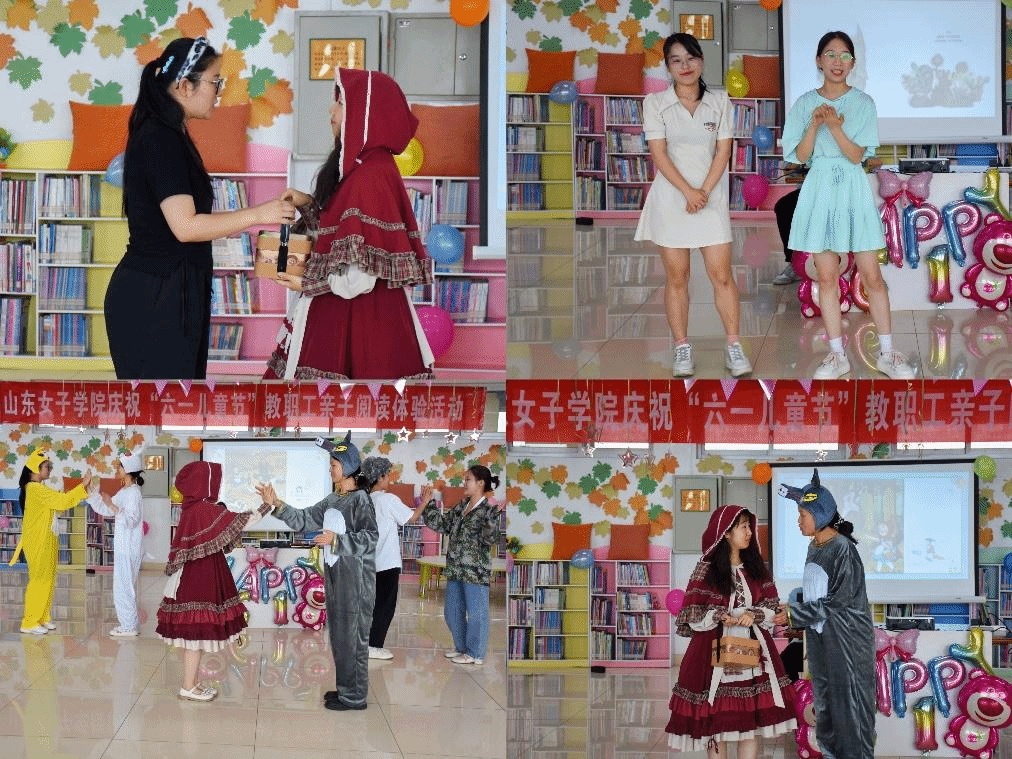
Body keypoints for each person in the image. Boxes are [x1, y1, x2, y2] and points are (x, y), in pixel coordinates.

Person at [105, 35, 294, 379]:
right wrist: (258, 214)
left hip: (174, 292)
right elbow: (186, 227)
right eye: (215, 81)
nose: (219, 92)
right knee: (163, 406)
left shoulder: (171, 134)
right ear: (184, 86)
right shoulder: (159, 138)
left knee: (179, 403)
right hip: (155, 298)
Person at [264, 67, 434, 380]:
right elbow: (344, 242)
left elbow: (359, 279)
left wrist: (306, 284)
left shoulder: (369, 177)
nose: (331, 111)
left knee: (341, 402)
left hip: (357, 321)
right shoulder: (367, 168)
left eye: (341, 103)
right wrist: (308, 204)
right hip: (363, 315)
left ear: (367, 115)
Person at [781, 31, 914, 380]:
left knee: (872, 275)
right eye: (830, 54)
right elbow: (801, 156)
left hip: (853, 187)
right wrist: (814, 124)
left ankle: (887, 353)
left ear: (853, 63)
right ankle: (837, 356)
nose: (837, 62)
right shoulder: (804, 103)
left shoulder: (864, 103)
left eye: (844, 56)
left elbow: (857, 156)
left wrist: (835, 127)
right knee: (826, 276)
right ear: (818, 60)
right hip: (820, 188)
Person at [634, 32, 752, 379]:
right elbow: (659, 154)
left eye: (690, 58)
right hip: (672, 199)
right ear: (668, 66)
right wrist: (688, 192)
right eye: (676, 60)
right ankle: (682, 347)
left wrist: (703, 192)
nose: (685, 66)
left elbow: (723, 151)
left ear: (701, 60)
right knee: (677, 278)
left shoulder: (720, 101)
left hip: (710, 198)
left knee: (722, 276)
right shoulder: (655, 103)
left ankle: (733, 346)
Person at [256, 433, 378, 711]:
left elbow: (371, 538)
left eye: (334, 465)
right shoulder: (335, 498)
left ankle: (355, 697)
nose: (330, 469)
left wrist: (336, 540)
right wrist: (278, 504)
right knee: (340, 637)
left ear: (348, 467)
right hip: (337, 575)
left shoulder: (360, 499)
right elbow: (305, 519)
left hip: (356, 581)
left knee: (354, 639)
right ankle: (345, 689)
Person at [666, 506, 796, 755]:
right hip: (712, 654)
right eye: (743, 527)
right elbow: (691, 612)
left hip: (753, 652)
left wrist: (754, 614)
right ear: (726, 532)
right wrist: (719, 615)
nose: (749, 532)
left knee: (750, 725)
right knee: (716, 724)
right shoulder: (706, 569)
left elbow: (771, 606)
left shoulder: (757, 568)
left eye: (749, 526)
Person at [774, 468, 876, 759]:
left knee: (850, 716)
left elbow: (838, 602)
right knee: (826, 713)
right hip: (822, 643)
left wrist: (793, 615)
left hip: (847, 645)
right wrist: (791, 610)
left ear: (819, 514)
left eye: (802, 515)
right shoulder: (815, 546)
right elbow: (817, 595)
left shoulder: (842, 549)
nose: (798, 521)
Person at [157, 460, 272, 702]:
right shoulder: (201, 509)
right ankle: (188, 687)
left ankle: (191, 683)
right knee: (195, 635)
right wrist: (266, 506)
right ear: (203, 483)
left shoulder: (194, 508)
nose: (217, 485)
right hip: (199, 576)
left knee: (195, 636)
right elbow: (242, 521)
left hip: (196, 574)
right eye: (214, 480)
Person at [420, 465, 504, 665]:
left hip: (475, 571)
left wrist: (491, 520)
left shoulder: (488, 510)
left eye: (468, 480)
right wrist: (429, 503)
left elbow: (491, 539)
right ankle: (462, 648)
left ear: (480, 483)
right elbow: (442, 524)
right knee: (452, 612)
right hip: (456, 568)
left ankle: (475, 653)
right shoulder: (462, 506)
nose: (464, 483)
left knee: (476, 614)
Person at [11, 449, 92, 634]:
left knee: (47, 580)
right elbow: (61, 501)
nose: (49, 470)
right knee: (39, 580)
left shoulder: (39, 488)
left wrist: (78, 490)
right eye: (47, 467)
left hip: (46, 539)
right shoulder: (35, 489)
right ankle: (29, 622)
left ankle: (42, 617)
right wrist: (82, 486)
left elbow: (57, 506)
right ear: (35, 469)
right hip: (38, 540)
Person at [360, 456, 427, 660]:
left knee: (370, 605)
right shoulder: (387, 499)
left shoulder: (364, 500)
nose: (389, 479)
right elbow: (411, 518)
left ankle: (364, 644)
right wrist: (425, 501)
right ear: (380, 477)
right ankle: (374, 646)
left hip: (367, 563)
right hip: (387, 563)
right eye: (387, 475)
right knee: (384, 606)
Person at [87, 452, 145, 637]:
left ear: (128, 470)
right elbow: (105, 508)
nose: (117, 469)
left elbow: (131, 520)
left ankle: (128, 626)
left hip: (129, 548)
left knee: (124, 588)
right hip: (124, 547)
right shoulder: (125, 491)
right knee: (122, 587)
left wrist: (112, 505)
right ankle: (128, 624)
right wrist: (90, 490)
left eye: (120, 466)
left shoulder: (133, 493)